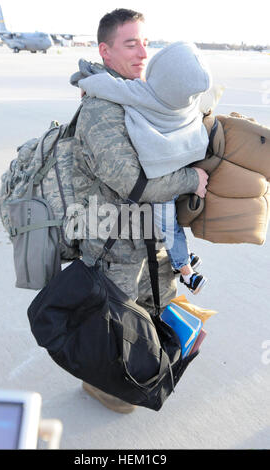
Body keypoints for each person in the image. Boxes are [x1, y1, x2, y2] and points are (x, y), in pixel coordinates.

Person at [70, 8, 208, 413]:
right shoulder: (101, 110)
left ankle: (132, 376)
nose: (142, 52)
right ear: (105, 51)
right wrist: (190, 181)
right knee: (116, 324)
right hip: (111, 240)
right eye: (130, 43)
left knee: (150, 314)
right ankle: (102, 387)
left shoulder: (136, 97)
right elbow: (133, 184)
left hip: (145, 235)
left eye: (145, 43)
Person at [77, 40, 212, 295]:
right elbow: (210, 100)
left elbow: (107, 86)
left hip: (159, 177)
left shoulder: (142, 96)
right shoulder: (189, 104)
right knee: (170, 225)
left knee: (168, 225)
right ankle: (184, 265)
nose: (143, 54)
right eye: (132, 45)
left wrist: (85, 84)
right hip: (175, 175)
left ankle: (184, 266)